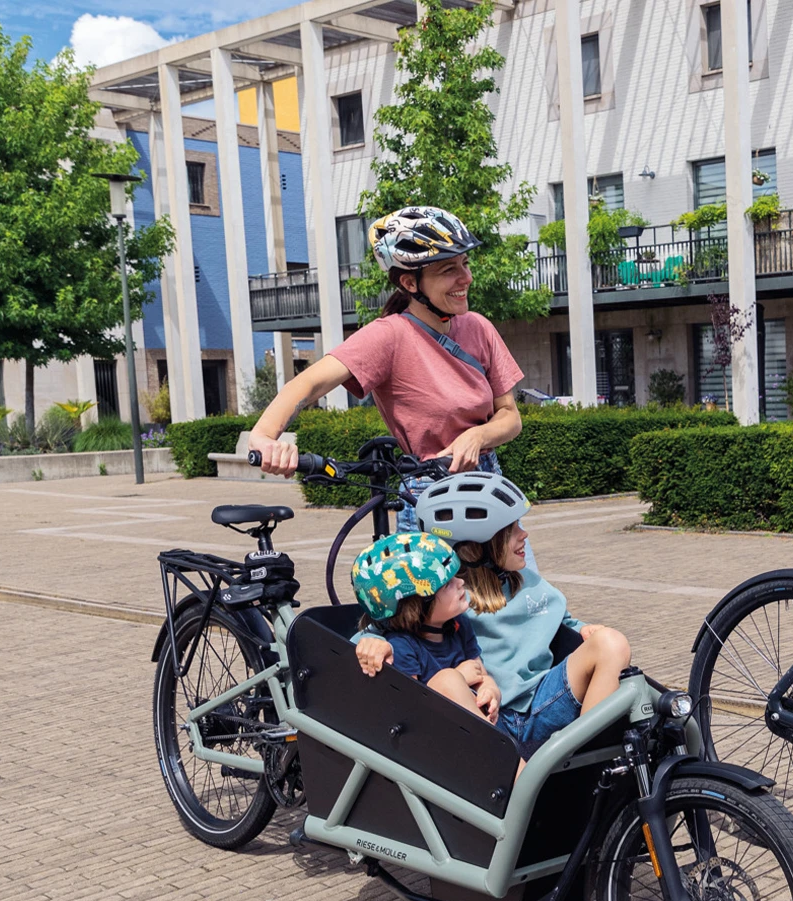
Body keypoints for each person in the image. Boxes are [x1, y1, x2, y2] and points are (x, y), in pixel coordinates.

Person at [247, 206, 525, 531]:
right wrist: (264, 437)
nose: (466, 278)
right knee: (432, 584)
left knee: (520, 583)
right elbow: (308, 384)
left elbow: (510, 415)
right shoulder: (389, 336)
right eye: (449, 269)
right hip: (431, 493)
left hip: (491, 486)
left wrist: (476, 436)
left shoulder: (478, 327)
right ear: (410, 282)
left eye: (465, 264)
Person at [415, 472, 634, 756]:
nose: (524, 534)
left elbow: (561, 620)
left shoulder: (527, 581)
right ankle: (517, 777)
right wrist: (373, 644)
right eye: (511, 530)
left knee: (612, 642)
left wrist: (584, 629)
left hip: (542, 703)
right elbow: (394, 627)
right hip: (490, 718)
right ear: (472, 548)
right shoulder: (449, 599)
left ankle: (586, 765)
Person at [348, 532, 502, 722]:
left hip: (472, 725)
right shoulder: (401, 646)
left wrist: (490, 690)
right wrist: (459, 677)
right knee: (448, 678)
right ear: (416, 606)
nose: (460, 582)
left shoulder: (459, 624)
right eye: (447, 585)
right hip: (437, 734)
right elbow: (412, 708)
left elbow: (480, 675)